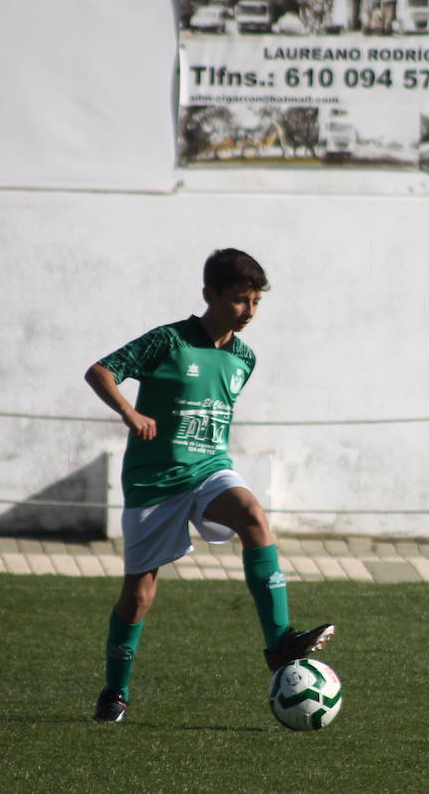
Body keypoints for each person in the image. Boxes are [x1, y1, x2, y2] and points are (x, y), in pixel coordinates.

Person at [85, 248, 334, 724]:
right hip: (155, 482)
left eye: (256, 302)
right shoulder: (168, 341)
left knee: (252, 515)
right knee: (138, 598)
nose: (249, 311)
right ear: (209, 295)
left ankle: (280, 642)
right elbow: (99, 372)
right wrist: (130, 413)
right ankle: (116, 691)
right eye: (240, 300)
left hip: (210, 470)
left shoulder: (244, 357)